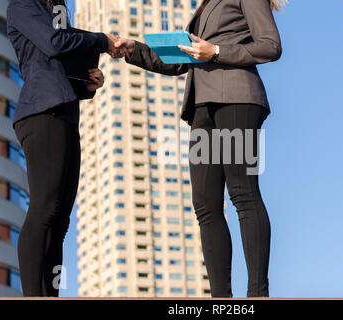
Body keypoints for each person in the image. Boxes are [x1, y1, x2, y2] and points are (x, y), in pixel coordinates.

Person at [115, 0, 284, 297]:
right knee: (205, 205)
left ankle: (258, 294)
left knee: (243, 193)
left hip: (236, 99)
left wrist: (216, 52)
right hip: (201, 109)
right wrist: (133, 48)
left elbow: (270, 46)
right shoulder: (204, 6)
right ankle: (221, 299)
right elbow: (180, 61)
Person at [6, 0, 122, 296]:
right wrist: (102, 40)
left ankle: (50, 294)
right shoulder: (22, 5)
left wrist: (86, 86)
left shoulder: (57, 10)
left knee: (60, 220)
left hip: (66, 114)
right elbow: (55, 44)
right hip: (41, 113)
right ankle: (33, 294)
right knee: (45, 210)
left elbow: (57, 63)